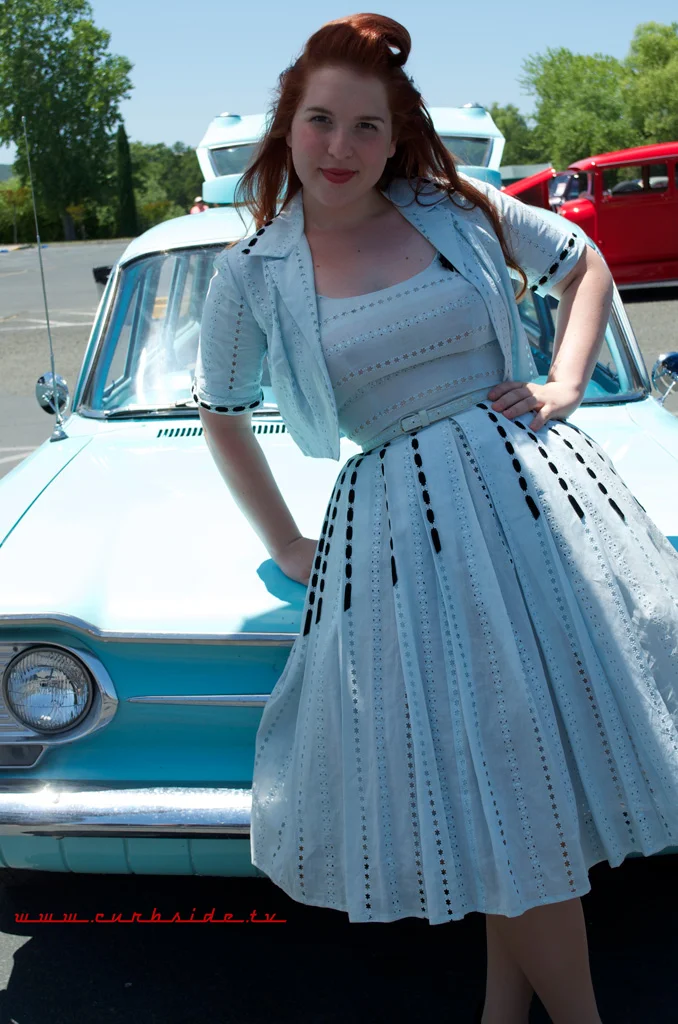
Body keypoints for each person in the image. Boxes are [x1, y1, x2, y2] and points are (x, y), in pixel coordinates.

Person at [192, 14, 678, 1024]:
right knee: (511, 783)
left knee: (525, 786)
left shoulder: (452, 206)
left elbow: (582, 261)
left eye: (365, 126)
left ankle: (505, 1013)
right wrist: (285, 542)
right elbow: (221, 413)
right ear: (289, 126)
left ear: (394, 136)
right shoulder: (252, 273)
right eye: (320, 120)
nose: (340, 146)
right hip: (408, 536)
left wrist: (565, 380)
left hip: (542, 510)